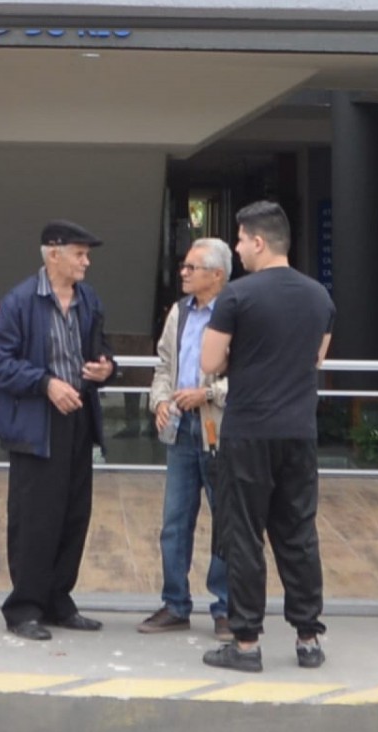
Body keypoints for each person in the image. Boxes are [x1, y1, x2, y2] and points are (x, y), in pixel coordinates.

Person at [200, 200, 334, 673]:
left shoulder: (237, 296)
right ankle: (308, 638)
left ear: (258, 241)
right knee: (298, 533)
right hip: (299, 430)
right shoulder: (320, 296)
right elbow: (316, 358)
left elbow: (209, 362)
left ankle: (246, 642)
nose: (236, 249)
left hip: (249, 430)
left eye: (238, 240)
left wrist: (242, 352)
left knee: (243, 536)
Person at [0, 219, 114, 641]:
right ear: (53, 253)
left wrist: (104, 368)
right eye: (80, 254)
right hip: (38, 423)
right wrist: (45, 383)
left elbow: (102, 350)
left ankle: (59, 599)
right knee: (35, 517)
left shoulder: (88, 299)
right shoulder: (20, 301)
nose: (87, 262)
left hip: (77, 418)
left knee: (74, 514)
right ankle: (24, 607)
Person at [138, 238, 233, 640]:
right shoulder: (178, 312)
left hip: (220, 427)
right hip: (180, 426)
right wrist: (160, 400)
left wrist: (208, 394)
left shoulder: (236, 311)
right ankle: (175, 603)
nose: (184, 272)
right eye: (184, 266)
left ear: (217, 274)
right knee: (175, 521)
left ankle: (226, 607)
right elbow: (164, 365)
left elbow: (247, 375)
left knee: (226, 520)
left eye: (193, 267)